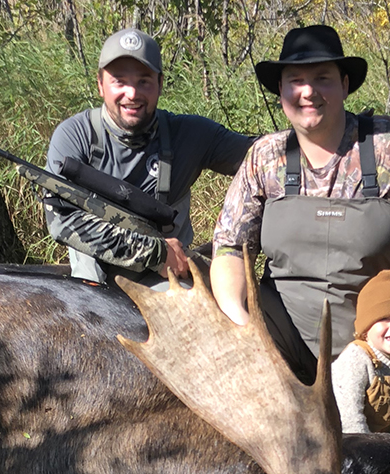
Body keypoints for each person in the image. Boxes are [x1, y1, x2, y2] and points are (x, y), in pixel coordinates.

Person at [211, 24, 390, 383]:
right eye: (295, 80)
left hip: (377, 354)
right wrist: (239, 325)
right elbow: (229, 247)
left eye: (323, 78)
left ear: (345, 85)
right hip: (280, 351)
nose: (308, 92)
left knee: (363, 437)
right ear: (280, 90)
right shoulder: (265, 157)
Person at [45, 28, 254, 288]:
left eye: (144, 81)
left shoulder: (191, 135)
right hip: (93, 280)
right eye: (119, 81)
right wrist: (153, 253)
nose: (132, 94)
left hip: (167, 280)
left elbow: (262, 157)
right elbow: (61, 221)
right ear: (100, 84)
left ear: (160, 84)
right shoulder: (74, 135)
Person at [331, 269, 390, 437]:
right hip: (350, 444)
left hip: (389, 443)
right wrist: (376, 453)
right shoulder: (356, 359)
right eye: (384, 318)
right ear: (366, 329)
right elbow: (350, 420)